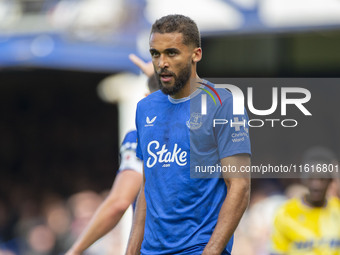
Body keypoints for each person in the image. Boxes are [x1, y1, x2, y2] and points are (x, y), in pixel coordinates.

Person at [125, 14, 251, 255]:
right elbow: (148, 185)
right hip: (151, 250)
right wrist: (131, 251)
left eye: (171, 53)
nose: (161, 62)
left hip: (199, 248)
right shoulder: (145, 107)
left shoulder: (224, 104)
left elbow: (240, 187)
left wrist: (211, 252)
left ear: (196, 54)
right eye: (155, 53)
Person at [65, 63, 158, 255]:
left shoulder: (141, 140)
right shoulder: (209, 134)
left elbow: (119, 203)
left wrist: (75, 250)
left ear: (147, 98)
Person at [270, 146, 340, 255]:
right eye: (311, 178)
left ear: (331, 180)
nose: (316, 185)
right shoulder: (286, 213)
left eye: (322, 178)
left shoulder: (337, 210)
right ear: (303, 179)